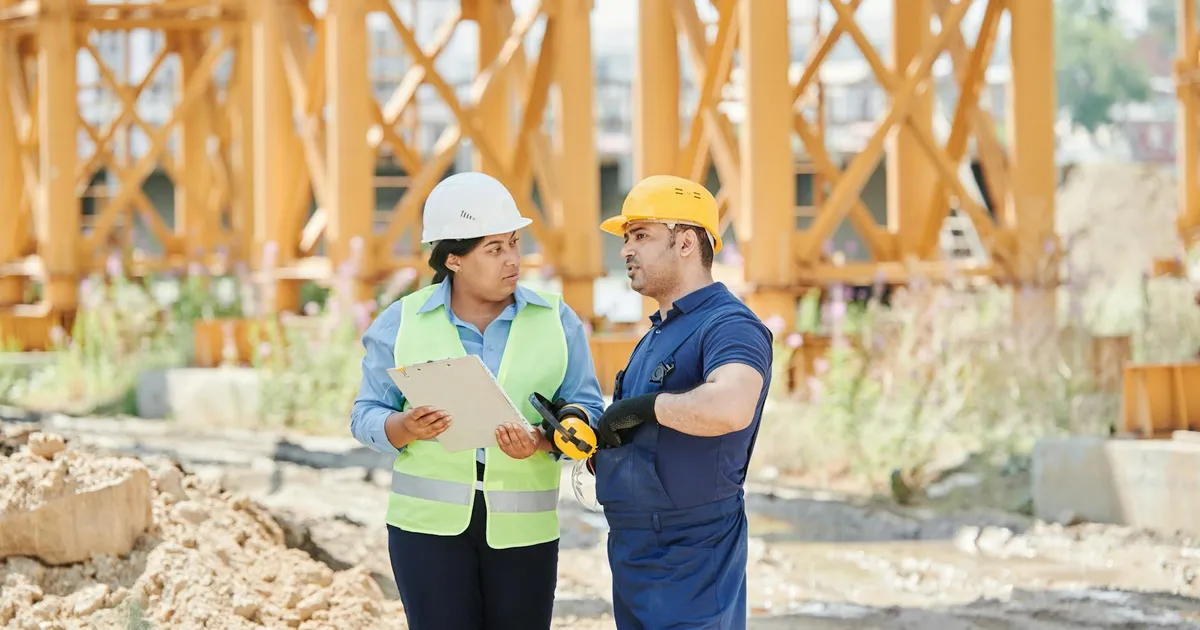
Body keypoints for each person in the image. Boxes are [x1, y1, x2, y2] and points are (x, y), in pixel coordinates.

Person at [350, 171, 606, 630]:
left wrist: (544, 441)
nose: (513, 260)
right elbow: (365, 414)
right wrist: (405, 427)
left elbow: (588, 411)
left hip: (524, 532)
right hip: (426, 532)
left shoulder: (556, 320)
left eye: (514, 243)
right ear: (454, 260)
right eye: (495, 249)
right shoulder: (401, 322)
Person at [591, 174, 774, 630]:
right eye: (627, 238)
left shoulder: (729, 326)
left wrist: (643, 408)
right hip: (635, 549)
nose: (626, 250)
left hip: (693, 553)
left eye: (641, 235)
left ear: (687, 242)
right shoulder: (658, 332)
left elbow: (731, 406)